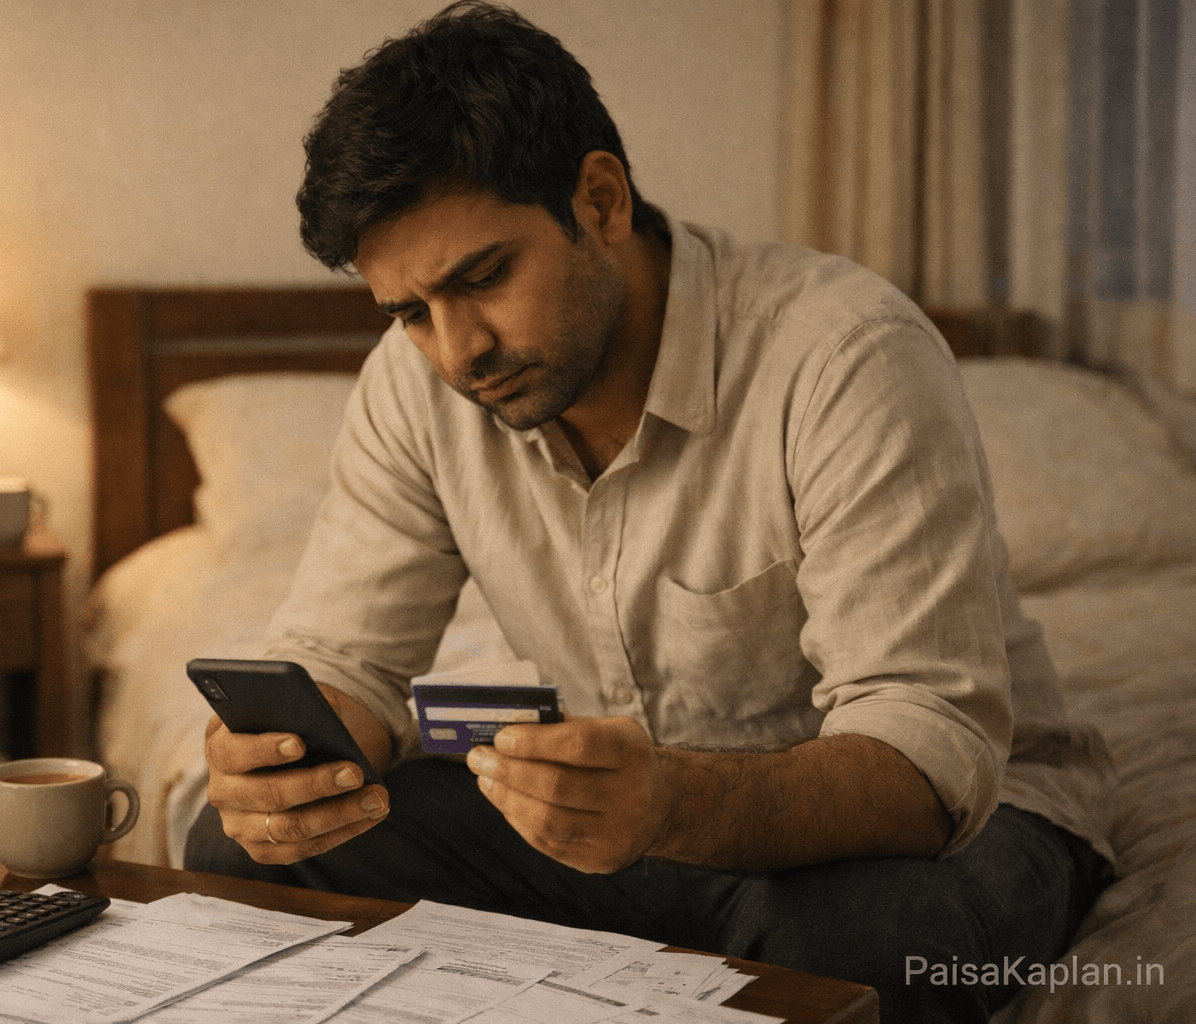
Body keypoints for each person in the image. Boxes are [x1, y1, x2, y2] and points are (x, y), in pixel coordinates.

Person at [184, 4, 1114, 1020]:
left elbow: (927, 753)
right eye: (411, 312)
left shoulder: (845, 355)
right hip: (624, 827)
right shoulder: (417, 391)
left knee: (842, 953)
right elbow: (349, 664)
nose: (457, 351)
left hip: (928, 823)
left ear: (601, 200)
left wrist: (673, 799)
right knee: (232, 847)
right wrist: (288, 770)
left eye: (484, 278)